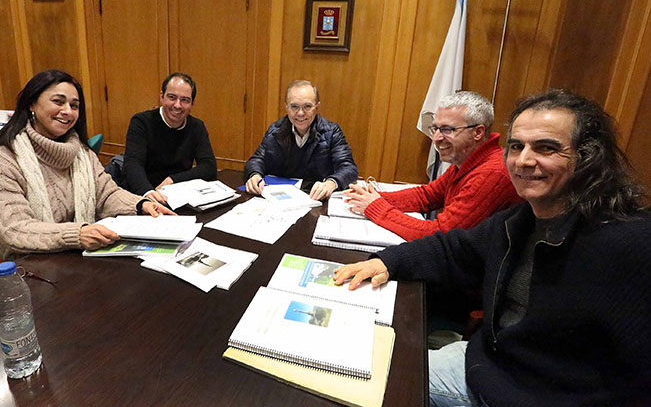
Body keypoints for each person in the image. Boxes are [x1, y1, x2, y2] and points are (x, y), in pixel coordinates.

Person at [334, 90, 651, 406]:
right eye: (517, 146)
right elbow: (454, 246)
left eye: (546, 148)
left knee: (361, 380)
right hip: (489, 362)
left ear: (588, 157)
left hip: (524, 391)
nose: (524, 160)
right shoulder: (521, 218)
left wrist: (375, 207)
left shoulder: (629, 242)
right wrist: (387, 261)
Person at [0, 70, 174, 259]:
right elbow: (13, 229)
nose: (67, 111)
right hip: (25, 266)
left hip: (76, 256)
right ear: (31, 104)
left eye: (74, 105)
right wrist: (77, 234)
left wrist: (141, 205)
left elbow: (106, 194)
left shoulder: (82, 153)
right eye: (58, 102)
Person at [345, 91, 522, 241]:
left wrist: (375, 206)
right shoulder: (467, 159)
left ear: (478, 132)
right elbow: (427, 196)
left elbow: (441, 234)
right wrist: (373, 197)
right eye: (435, 129)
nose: (436, 138)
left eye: (447, 130)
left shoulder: (492, 173)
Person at [244, 80, 358, 200]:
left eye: (307, 106)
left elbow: (349, 168)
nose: (300, 113)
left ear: (317, 107)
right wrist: (254, 174)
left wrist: (331, 183)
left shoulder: (332, 132)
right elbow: (257, 160)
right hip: (280, 199)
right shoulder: (275, 130)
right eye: (294, 106)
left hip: (315, 199)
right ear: (286, 107)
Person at [124, 72, 217, 203]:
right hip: (145, 194)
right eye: (172, 97)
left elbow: (209, 167)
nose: (177, 105)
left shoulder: (197, 126)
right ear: (162, 97)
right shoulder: (141, 122)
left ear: (192, 104)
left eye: (185, 100)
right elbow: (132, 164)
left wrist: (172, 180)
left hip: (179, 194)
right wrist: (148, 193)